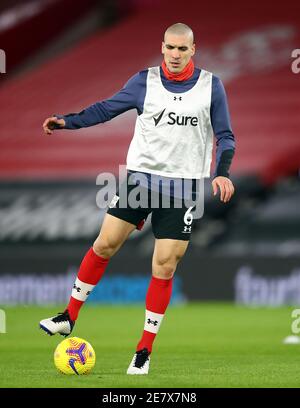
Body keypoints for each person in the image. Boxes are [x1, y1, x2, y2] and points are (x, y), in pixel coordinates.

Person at [40, 23, 235, 375]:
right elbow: (106, 109)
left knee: (164, 266)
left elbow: (226, 136)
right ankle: (68, 316)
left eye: (182, 49)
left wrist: (222, 171)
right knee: (104, 244)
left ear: (193, 50)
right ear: (162, 47)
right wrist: (67, 122)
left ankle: (143, 352)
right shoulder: (144, 81)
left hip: (183, 188)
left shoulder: (211, 86)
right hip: (140, 180)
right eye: (170, 48)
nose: (175, 55)